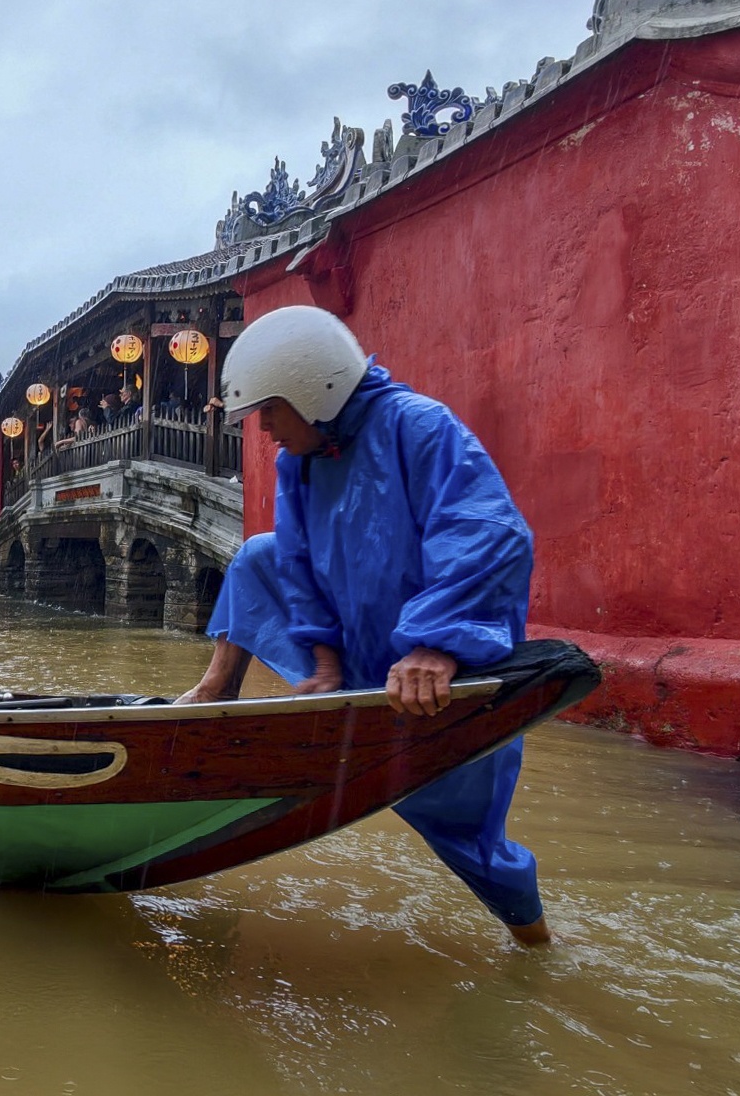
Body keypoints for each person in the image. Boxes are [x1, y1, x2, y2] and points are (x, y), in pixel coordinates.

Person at [177, 305, 551, 947]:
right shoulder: (303, 461)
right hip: (356, 655)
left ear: (313, 388)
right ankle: (216, 685)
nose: (263, 428)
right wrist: (321, 658)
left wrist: (437, 646)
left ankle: (538, 946)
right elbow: (294, 562)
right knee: (258, 555)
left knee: (472, 840)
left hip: (436, 667)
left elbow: (489, 534)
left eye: (270, 408)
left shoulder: (421, 428)